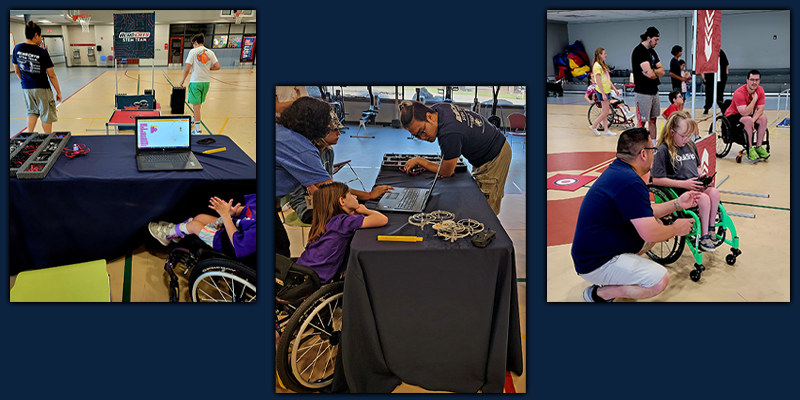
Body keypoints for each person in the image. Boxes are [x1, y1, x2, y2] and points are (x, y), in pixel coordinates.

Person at [572, 127, 700, 302]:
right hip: (594, 263)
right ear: (643, 154)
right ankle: (600, 294)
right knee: (658, 280)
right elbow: (650, 232)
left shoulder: (620, 172)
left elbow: (644, 212)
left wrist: (677, 204)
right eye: (652, 150)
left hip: (592, 253)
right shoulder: (630, 182)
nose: (654, 155)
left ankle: (617, 275)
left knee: (658, 227)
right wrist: (677, 228)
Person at [398, 100, 512, 215]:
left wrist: (420, 161)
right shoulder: (437, 109)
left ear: (429, 117)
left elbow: (447, 172)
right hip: (483, 149)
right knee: (478, 196)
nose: (422, 137)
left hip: (495, 155)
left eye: (422, 131)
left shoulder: (449, 132)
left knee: (485, 209)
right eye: (417, 136)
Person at [286, 123, 394, 224]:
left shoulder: (328, 151)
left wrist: (368, 196)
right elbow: (325, 191)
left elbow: (331, 187)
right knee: (356, 212)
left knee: (363, 205)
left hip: (326, 199)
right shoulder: (307, 154)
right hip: (307, 207)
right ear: (322, 132)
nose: (339, 133)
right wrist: (367, 196)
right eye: (334, 130)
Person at [275, 97, 338, 257]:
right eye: (327, 122)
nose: (330, 126)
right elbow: (329, 190)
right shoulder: (301, 149)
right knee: (280, 250)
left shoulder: (280, 129)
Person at [651, 111, 721, 251]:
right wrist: (684, 184)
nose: (686, 138)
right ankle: (704, 236)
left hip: (693, 186)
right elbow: (656, 180)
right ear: (671, 132)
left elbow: (698, 166)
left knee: (714, 193)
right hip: (678, 191)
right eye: (683, 136)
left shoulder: (690, 145)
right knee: (705, 199)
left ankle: (711, 228)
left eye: (689, 135)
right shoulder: (663, 150)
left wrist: (701, 175)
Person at [297, 182, 388, 283]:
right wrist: (365, 210)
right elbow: (382, 219)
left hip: (302, 269)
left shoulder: (325, 220)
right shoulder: (344, 222)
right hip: (318, 278)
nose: (355, 196)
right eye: (350, 194)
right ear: (342, 201)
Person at [148, 194, 256, 260]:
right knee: (200, 217)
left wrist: (225, 216)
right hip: (234, 227)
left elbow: (239, 246)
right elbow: (248, 209)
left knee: (194, 225)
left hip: (230, 243)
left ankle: (167, 236)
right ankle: (176, 234)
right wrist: (234, 212)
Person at [12, 21, 63, 134]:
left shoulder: (17, 48)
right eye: (40, 36)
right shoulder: (42, 52)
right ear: (36, 35)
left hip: (26, 87)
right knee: (46, 113)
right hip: (42, 87)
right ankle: (47, 138)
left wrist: (24, 82)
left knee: (32, 112)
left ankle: (29, 136)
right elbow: (51, 74)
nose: (41, 39)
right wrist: (58, 92)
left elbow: (17, 70)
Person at [724, 69, 770, 160]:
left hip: (748, 115)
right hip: (733, 115)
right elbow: (744, 113)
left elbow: (760, 109)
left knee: (763, 118)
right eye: (752, 79)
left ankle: (759, 146)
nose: (754, 82)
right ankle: (749, 148)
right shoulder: (739, 93)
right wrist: (754, 100)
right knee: (748, 119)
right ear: (747, 80)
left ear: (759, 81)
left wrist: (752, 121)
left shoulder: (760, 90)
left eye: (756, 80)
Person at [180, 33, 220, 134]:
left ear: (196, 43)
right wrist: (206, 68)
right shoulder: (210, 52)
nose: (193, 45)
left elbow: (187, 69)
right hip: (206, 82)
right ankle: (193, 120)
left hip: (195, 82)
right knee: (198, 104)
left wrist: (182, 81)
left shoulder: (193, 52)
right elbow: (217, 66)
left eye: (193, 43)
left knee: (196, 106)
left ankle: (198, 130)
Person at [631, 26, 665, 146]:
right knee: (642, 121)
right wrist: (654, 72)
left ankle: (653, 145)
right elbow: (650, 74)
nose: (657, 42)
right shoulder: (639, 51)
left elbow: (662, 71)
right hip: (643, 91)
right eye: (656, 39)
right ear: (649, 38)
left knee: (653, 119)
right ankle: (636, 145)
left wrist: (653, 72)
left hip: (653, 90)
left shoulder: (652, 51)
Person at [589, 47, 619, 136]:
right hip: (602, 91)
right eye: (604, 53)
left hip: (607, 90)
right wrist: (602, 93)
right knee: (606, 112)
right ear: (600, 55)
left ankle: (606, 130)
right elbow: (598, 81)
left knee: (604, 111)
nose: (606, 55)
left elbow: (607, 79)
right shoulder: (597, 66)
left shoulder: (603, 65)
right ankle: (594, 126)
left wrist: (614, 89)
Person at [703, 49, 729, 115]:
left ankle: (722, 109)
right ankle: (707, 108)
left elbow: (726, 64)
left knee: (720, 94)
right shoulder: (707, 52)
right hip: (709, 77)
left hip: (721, 77)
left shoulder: (720, 52)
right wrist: (703, 77)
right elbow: (702, 67)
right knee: (709, 94)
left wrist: (726, 74)